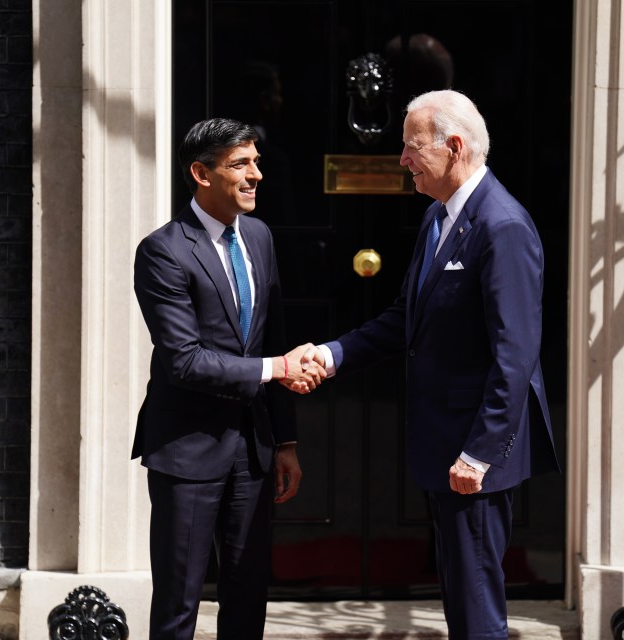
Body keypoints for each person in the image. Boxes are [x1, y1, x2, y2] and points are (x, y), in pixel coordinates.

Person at [300, 90, 560, 639]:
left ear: (455, 147)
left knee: (477, 605)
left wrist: (480, 454)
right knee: (458, 598)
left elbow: (515, 357)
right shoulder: (437, 219)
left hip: (473, 457)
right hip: (443, 445)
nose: (401, 160)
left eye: (411, 147)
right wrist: (331, 354)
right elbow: (405, 320)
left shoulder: (503, 226)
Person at [132, 118, 324, 640]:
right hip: (187, 450)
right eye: (241, 164)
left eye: (256, 162)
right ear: (201, 173)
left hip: (254, 451)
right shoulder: (163, 251)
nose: (256, 174)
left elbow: (271, 337)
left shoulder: (259, 237)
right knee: (179, 601)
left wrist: (285, 439)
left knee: (247, 598)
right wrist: (278, 369)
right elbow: (184, 360)